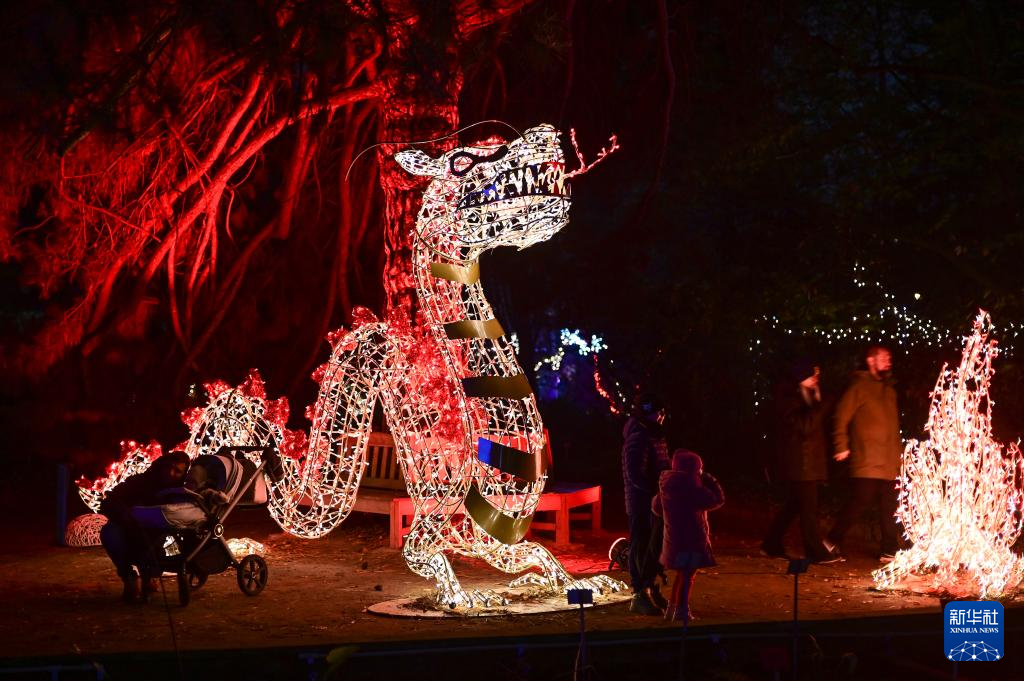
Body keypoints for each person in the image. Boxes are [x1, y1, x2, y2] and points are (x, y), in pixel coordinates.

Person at [761, 360, 842, 564]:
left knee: (794, 506)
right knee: (808, 509)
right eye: (811, 374)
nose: (816, 378)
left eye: (817, 374)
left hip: (807, 463)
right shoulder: (788, 399)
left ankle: (771, 543)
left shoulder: (807, 396)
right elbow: (805, 426)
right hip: (800, 464)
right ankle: (815, 552)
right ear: (800, 377)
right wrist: (822, 406)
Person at [826, 345, 902, 561]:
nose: (888, 361)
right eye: (883, 358)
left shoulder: (889, 391)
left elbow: (893, 428)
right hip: (867, 459)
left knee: (889, 505)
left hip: (888, 462)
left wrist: (899, 458)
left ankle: (889, 549)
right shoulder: (859, 387)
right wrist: (841, 445)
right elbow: (841, 416)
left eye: (889, 358)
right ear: (871, 361)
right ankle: (831, 541)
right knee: (860, 502)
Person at [99, 451, 190, 602]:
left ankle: (150, 577)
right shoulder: (141, 481)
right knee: (109, 532)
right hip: (130, 528)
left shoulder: (182, 492)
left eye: (177, 471)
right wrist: (124, 514)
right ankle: (129, 578)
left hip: (161, 535)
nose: (170, 473)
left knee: (152, 543)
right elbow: (111, 500)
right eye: (169, 467)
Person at [652, 449, 724, 623]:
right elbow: (718, 500)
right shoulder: (692, 488)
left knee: (681, 575)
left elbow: (656, 508)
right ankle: (682, 610)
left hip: (674, 540)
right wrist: (710, 480)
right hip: (692, 540)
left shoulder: (667, 487)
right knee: (688, 576)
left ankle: (671, 609)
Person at [621, 393, 671, 615]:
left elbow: (661, 465)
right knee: (641, 547)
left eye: (662, 412)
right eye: (658, 412)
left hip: (655, 502)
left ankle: (650, 586)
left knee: (654, 547)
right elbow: (634, 473)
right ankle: (639, 593)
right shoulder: (638, 438)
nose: (661, 416)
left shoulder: (654, 436)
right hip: (642, 503)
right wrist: (654, 489)